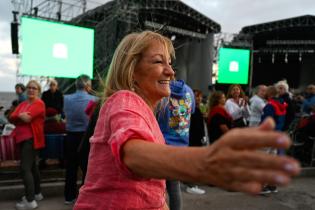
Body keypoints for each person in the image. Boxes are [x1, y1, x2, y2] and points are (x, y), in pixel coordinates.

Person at [74, 31, 300, 210]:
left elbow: (149, 191)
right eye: (158, 62)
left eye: (170, 63)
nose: (171, 71)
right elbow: (132, 154)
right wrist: (203, 162)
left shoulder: (144, 111)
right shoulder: (124, 99)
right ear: (131, 70)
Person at [157, 79, 195, 209]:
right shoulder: (189, 91)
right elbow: (192, 111)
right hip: (182, 145)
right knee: (174, 187)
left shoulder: (161, 90)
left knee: (156, 186)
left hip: (161, 144)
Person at [9, 80, 45, 210]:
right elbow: (10, 117)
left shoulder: (39, 104)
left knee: (25, 169)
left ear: (38, 91)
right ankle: (36, 193)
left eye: (34, 88)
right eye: (29, 87)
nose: (31, 90)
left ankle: (30, 201)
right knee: (32, 167)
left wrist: (17, 116)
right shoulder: (23, 103)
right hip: (22, 139)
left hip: (31, 140)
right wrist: (19, 115)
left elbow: (28, 118)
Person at [63, 74, 97, 204]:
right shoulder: (94, 99)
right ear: (88, 86)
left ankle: (69, 196)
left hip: (70, 136)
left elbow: (65, 115)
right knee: (87, 168)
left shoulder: (66, 98)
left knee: (71, 167)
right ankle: (85, 198)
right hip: (86, 137)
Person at [260, 85, 288, 194]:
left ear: (270, 94)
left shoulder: (270, 105)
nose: (264, 94)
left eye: (266, 92)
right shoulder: (282, 104)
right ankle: (272, 185)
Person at [186, 89, 206, 195]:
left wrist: (203, 136)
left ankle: (193, 184)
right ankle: (191, 185)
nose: (198, 98)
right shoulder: (191, 109)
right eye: (196, 96)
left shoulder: (198, 108)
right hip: (192, 139)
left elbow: (201, 125)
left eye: (200, 96)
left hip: (198, 139)